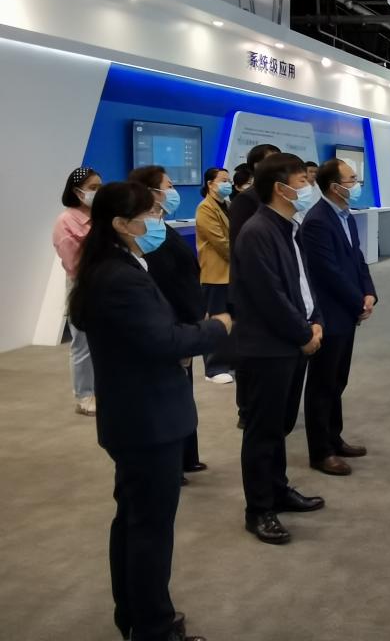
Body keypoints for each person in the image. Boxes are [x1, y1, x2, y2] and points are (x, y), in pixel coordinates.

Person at [68, 181, 229, 641]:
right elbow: (163, 340)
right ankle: (153, 627)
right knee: (149, 530)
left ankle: (136, 616)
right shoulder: (118, 276)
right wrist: (216, 328)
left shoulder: (117, 265)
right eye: (152, 213)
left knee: (135, 521)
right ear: (122, 223)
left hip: (138, 414)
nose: (160, 220)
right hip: (146, 420)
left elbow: (145, 335)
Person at [232, 153, 325, 544]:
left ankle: (278, 489)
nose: (309, 187)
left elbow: (302, 283)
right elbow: (269, 296)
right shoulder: (257, 232)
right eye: (302, 181)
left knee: (279, 425)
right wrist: (303, 334)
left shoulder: (288, 226)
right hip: (267, 348)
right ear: (280, 189)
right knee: (262, 430)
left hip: (290, 342)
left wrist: (315, 319)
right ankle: (259, 509)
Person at [128, 165, 208, 480]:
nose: (173, 191)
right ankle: (173, 463)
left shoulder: (162, 227)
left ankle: (187, 457)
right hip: (170, 326)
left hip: (184, 322)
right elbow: (164, 284)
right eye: (168, 185)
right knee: (168, 399)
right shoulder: (146, 237)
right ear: (150, 192)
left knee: (182, 395)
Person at [299, 160, 377, 476]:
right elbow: (327, 272)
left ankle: (334, 437)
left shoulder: (345, 216)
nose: (357, 185)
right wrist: (358, 301)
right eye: (352, 180)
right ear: (335, 187)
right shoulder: (317, 221)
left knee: (337, 380)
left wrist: (369, 292)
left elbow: (357, 259)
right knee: (322, 383)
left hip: (347, 311)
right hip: (330, 313)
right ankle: (321, 451)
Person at [228, 143, 280, 429]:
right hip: (250, 290)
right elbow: (241, 248)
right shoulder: (246, 201)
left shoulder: (276, 197)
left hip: (275, 285)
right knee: (250, 355)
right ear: (256, 167)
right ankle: (246, 411)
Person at [53, 167, 102, 416]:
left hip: (108, 285)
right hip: (83, 287)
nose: (98, 192)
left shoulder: (101, 216)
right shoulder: (65, 221)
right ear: (77, 191)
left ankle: (101, 390)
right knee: (82, 344)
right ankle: (84, 396)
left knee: (104, 342)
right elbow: (74, 263)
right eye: (93, 188)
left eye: (100, 187)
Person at [195, 167, 234, 384]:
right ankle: (213, 367)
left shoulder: (227, 205)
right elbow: (220, 242)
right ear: (210, 184)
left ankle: (229, 361)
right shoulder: (205, 208)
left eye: (229, 180)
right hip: (215, 273)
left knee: (232, 320)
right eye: (223, 180)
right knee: (216, 320)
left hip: (231, 273)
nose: (227, 184)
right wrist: (242, 256)